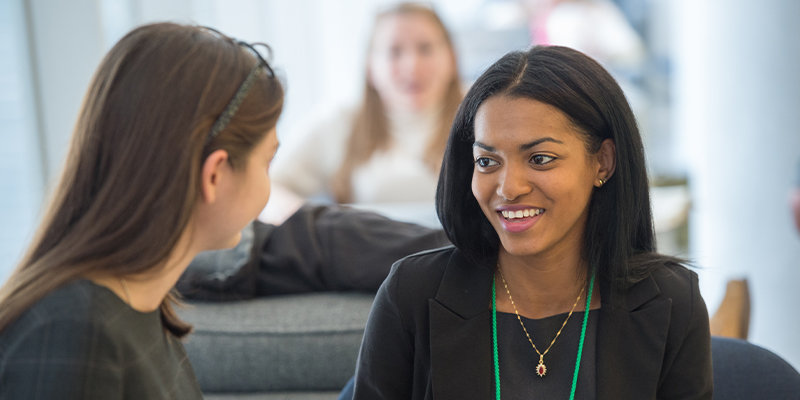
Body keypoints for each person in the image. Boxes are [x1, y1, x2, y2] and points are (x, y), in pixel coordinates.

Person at [351, 46, 713, 399]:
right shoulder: (411, 295)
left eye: (540, 158)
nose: (508, 189)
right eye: (487, 162)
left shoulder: (672, 301)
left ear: (602, 162)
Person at [0, 23, 283, 399]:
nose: (269, 182)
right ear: (214, 174)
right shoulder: (73, 333)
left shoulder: (143, 305)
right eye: (267, 161)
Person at [267, 2, 462, 210]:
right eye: (394, 52)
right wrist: (321, 225)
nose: (412, 65)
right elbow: (268, 191)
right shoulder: (340, 123)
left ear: (451, 58)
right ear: (370, 67)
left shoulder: (484, 113)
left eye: (425, 48)